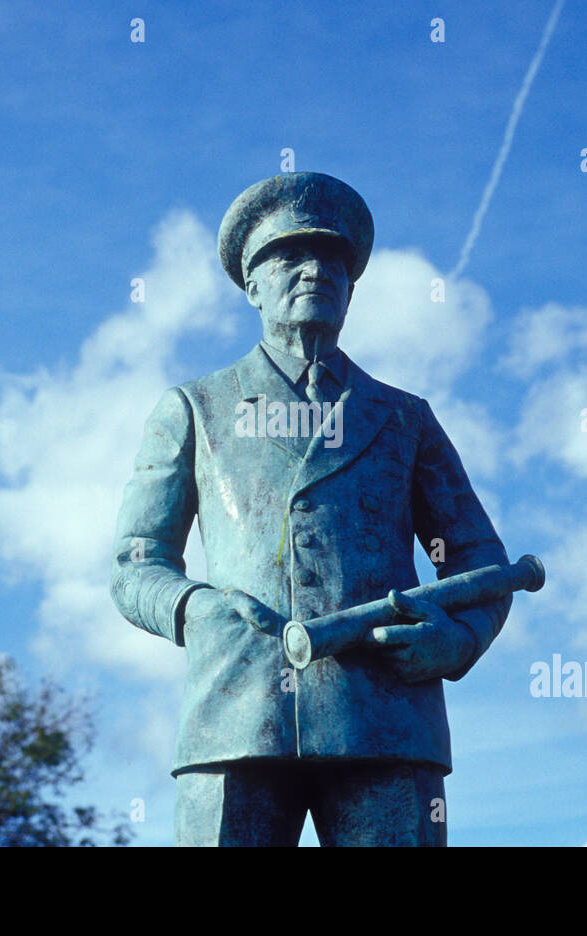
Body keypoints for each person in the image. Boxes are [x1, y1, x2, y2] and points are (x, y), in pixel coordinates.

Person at [111, 172, 513, 846]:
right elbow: (136, 564)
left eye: (332, 260)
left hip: (385, 715)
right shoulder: (195, 409)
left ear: (353, 286)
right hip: (236, 714)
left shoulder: (406, 419)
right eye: (289, 258)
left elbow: (480, 561)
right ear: (253, 285)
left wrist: (459, 639)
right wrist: (197, 609)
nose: (314, 271)